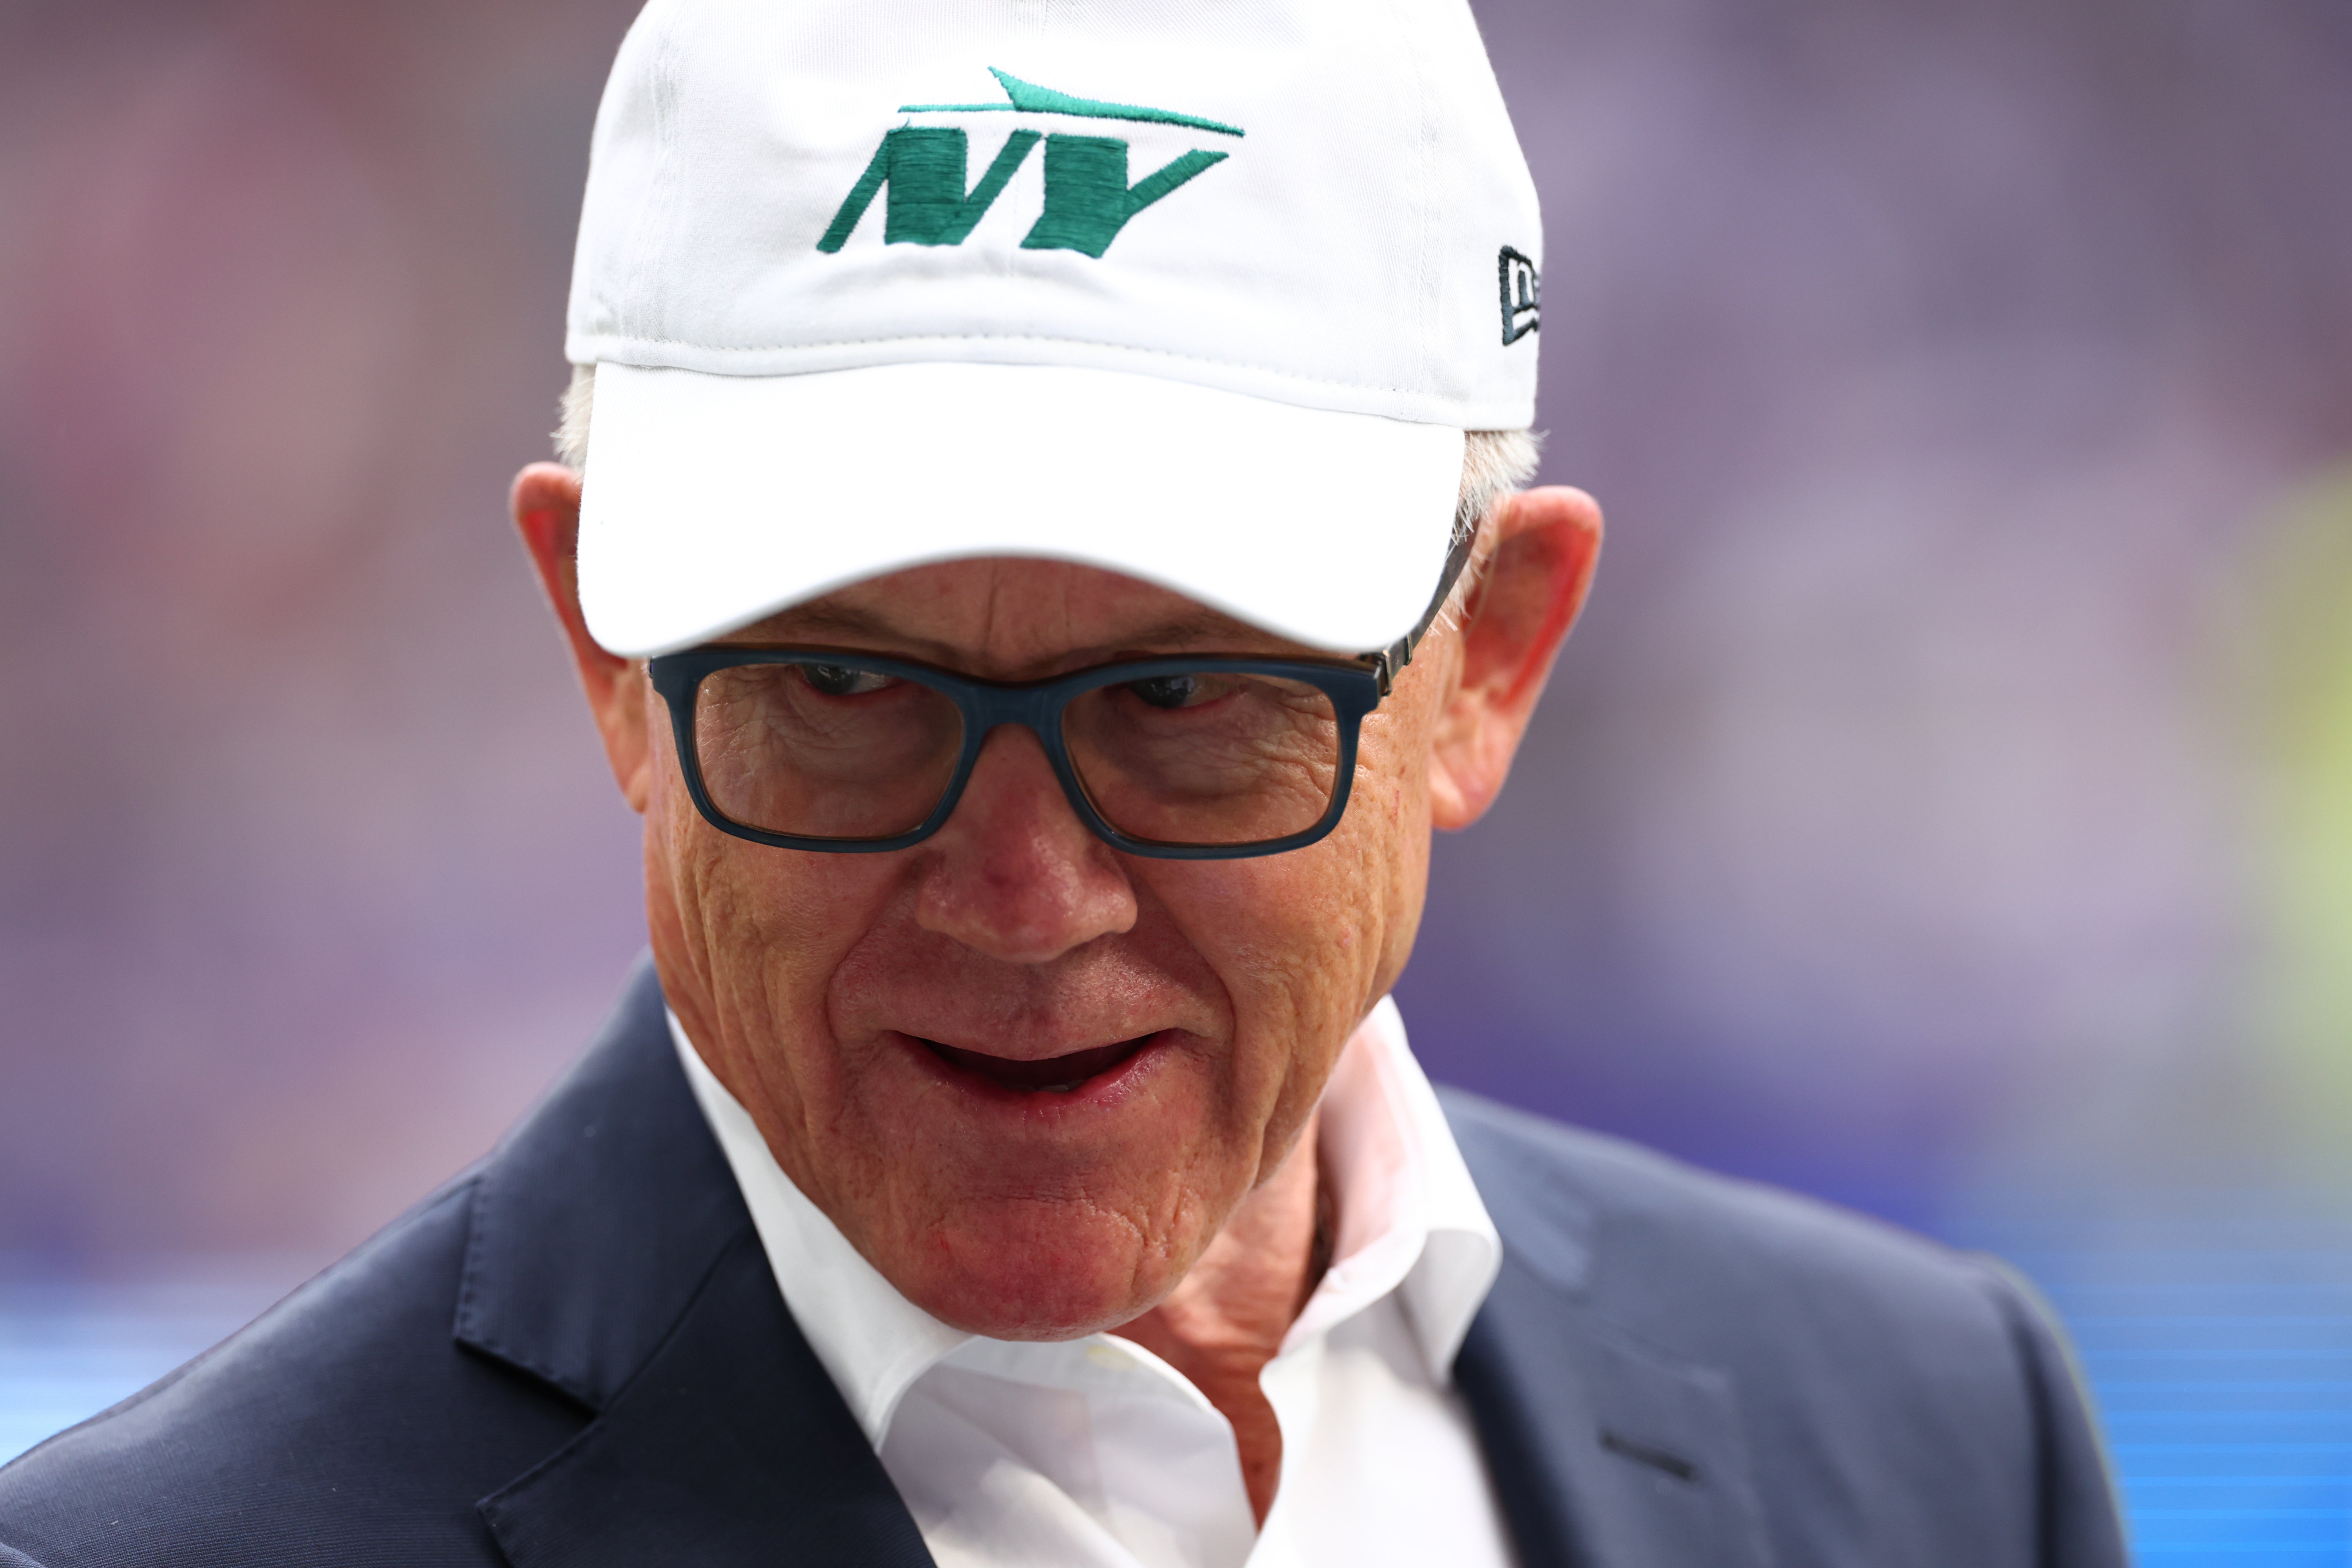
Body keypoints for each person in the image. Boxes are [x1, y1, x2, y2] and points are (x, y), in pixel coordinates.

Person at [0, 1, 2127, 1564]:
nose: (1023, 895)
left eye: (1184, 701)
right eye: (846, 683)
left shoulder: (1937, 1447)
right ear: (609, 653)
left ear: (1489, 661)